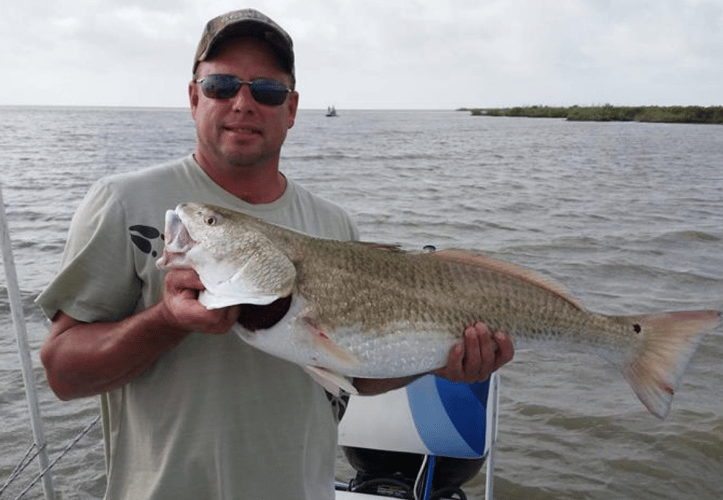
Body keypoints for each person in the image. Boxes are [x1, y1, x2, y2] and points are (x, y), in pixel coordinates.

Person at [37, 8, 514, 500]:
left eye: (267, 91)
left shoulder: (334, 224)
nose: (243, 103)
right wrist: (166, 320)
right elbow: (63, 373)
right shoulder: (123, 202)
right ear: (192, 97)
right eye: (221, 85)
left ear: (291, 108)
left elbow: (355, 373)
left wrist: (439, 360)